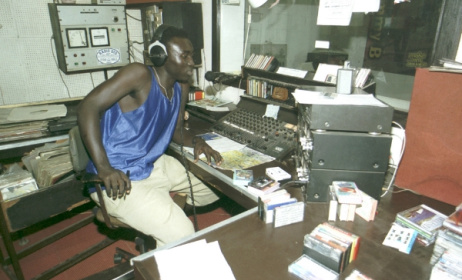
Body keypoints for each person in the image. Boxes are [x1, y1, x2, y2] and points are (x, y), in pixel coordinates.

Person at [77, 25, 223, 247]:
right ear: (160, 55)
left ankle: (159, 207)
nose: (192, 62)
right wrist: (104, 168)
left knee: (218, 187)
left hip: (151, 164)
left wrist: (196, 141)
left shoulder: (181, 85)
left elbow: (175, 131)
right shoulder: (139, 74)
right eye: (184, 55)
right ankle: (162, 228)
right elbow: (88, 106)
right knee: (182, 234)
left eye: (191, 55)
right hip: (119, 177)